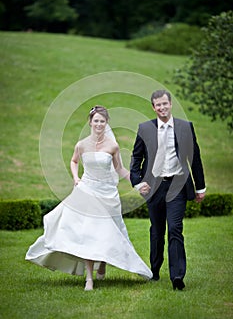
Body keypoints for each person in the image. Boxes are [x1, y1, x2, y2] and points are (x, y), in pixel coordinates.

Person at [26, 105, 152, 291]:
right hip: (87, 189)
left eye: (102, 121)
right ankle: (89, 279)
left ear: (106, 123)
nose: (99, 124)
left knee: (110, 230)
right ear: (90, 122)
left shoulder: (113, 146)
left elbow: (119, 169)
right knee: (88, 233)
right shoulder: (82, 144)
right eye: (96, 121)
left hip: (107, 192)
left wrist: (137, 183)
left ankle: (103, 262)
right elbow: (74, 160)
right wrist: (76, 178)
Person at [130, 90, 206, 290]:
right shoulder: (145, 128)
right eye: (158, 105)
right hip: (154, 187)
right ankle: (155, 270)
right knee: (157, 231)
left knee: (174, 228)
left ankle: (177, 277)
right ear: (153, 107)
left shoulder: (185, 127)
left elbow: (194, 158)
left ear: (170, 104)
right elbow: (136, 158)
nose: (162, 108)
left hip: (177, 185)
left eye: (165, 104)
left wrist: (201, 187)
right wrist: (138, 182)